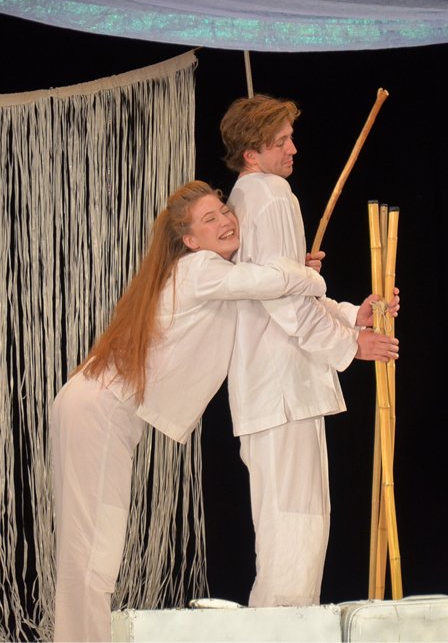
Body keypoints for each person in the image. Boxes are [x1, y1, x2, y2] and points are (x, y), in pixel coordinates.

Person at [50, 179, 330, 642]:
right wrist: (308, 274)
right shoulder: (200, 269)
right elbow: (267, 281)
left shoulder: (209, 277)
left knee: (90, 547)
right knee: (93, 550)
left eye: (224, 210)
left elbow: (266, 289)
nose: (226, 221)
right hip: (96, 410)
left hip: (95, 408)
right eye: (209, 219)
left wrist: (322, 294)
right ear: (190, 240)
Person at [220, 94, 400, 608]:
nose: (293, 149)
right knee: (294, 533)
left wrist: (349, 315)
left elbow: (286, 288)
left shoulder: (249, 197)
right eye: (281, 142)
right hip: (282, 390)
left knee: (291, 530)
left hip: (275, 389)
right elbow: (284, 301)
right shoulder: (272, 194)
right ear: (251, 153)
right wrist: (350, 344)